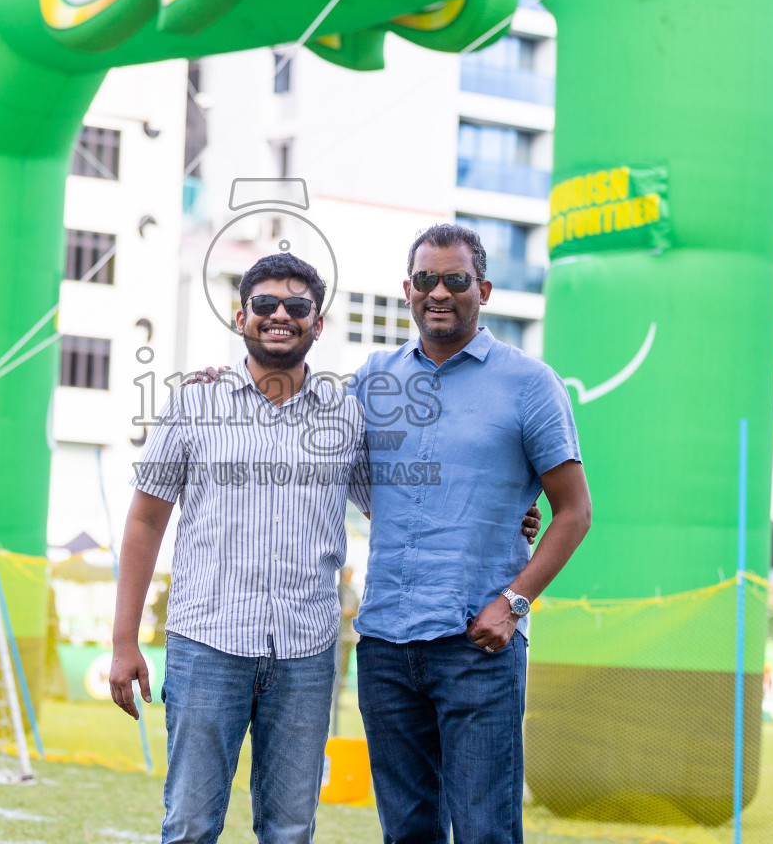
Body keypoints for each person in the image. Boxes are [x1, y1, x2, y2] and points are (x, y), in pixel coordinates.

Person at [111, 253, 372, 844]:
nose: (280, 315)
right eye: (265, 304)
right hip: (207, 645)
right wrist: (124, 640)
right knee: (190, 826)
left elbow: (397, 509)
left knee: (289, 830)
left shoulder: (346, 415)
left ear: (318, 323)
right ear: (240, 317)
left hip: (306, 654)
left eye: (297, 306)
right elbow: (146, 520)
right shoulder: (192, 403)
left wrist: (510, 514)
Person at [351, 224, 592, 844]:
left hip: (477, 647)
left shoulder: (531, 383)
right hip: (385, 645)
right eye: (426, 279)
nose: (439, 292)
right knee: (407, 832)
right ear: (407, 290)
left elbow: (573, 512)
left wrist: (514, 604)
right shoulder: (372, 379)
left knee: (486, 831)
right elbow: (331, 463)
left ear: (482, 289)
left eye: (455, 280)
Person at [333, 565, 358, 735]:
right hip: (336, 636)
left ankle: (339, 697)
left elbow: (356, 610)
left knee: (343, 668)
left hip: (347, 636)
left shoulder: (352, 593)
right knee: (334, 667)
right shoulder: (335, 589)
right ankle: (332, 697)